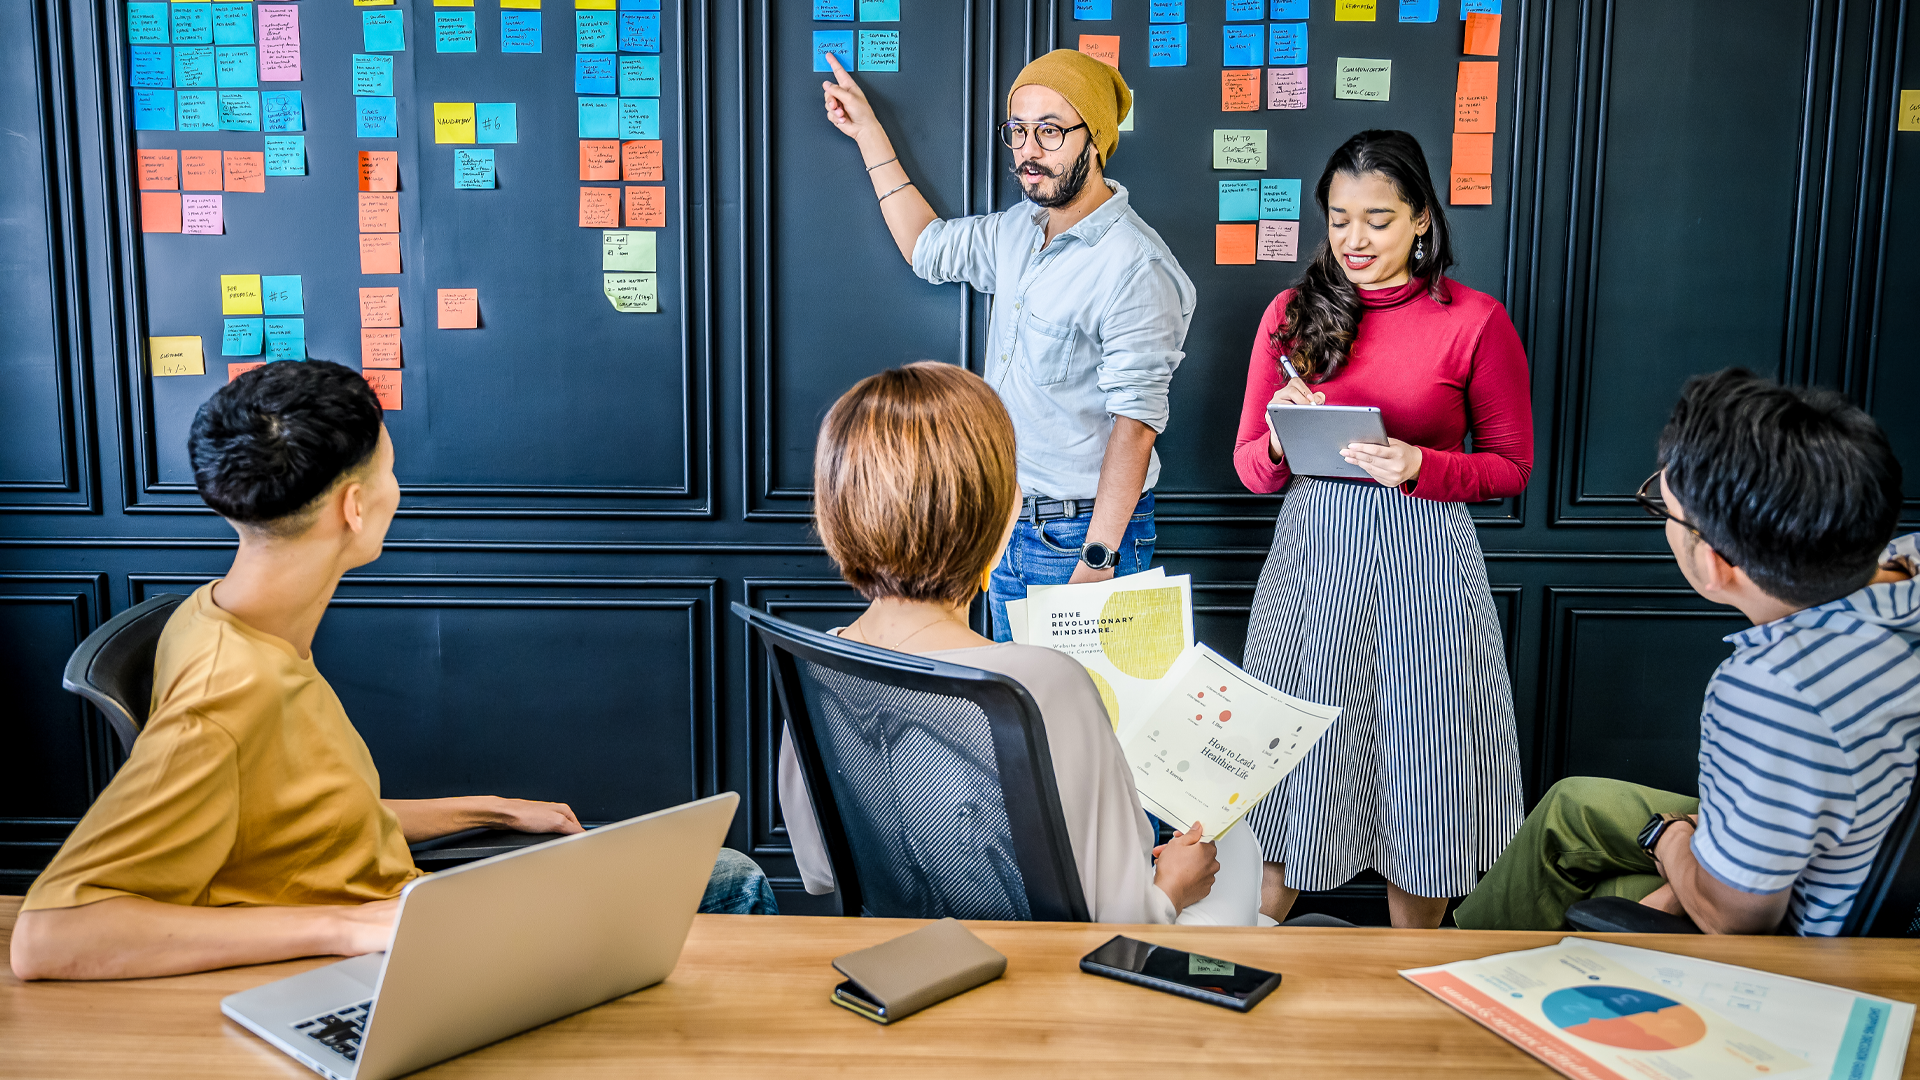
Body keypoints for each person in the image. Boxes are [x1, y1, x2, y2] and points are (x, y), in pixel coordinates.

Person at [10, 362, 773, 982]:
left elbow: (303, 822)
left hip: (398, 899)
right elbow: (50, 938)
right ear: (354, 507)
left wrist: (493, 809)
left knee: (703, 868)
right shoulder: (229, 691)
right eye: (392, 471)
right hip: (397, 941)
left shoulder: (227, 617)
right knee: (732, 879)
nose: (396, 491)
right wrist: (349, 927)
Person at [780, 362, 1266, 925]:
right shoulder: (1044, 680)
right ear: (1004, 510)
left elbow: (818, 869)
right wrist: (1174, 884)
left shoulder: (815, 661)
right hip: (1053, 986)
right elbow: (1125, 916)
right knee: (1236, 851)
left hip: (899, 967)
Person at [1456, 370, 1918, 935]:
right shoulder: (1908, 561)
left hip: (1811, 947)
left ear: (1717, 565)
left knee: (1606, 892)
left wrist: (1670, 838)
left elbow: (1734, 918)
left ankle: (1468, 977)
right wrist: (1682, 879)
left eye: (1663, 508)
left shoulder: (1771, 688)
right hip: (1858, 839)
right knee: (1571, 806)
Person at [1231, 130, 1533, 929]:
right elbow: (1252, 472)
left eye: (1378, 219)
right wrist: (1274, 433)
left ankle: (1411, 970)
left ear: (1422, 221)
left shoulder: (1474, 321)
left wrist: (1421, 465)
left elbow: (1510, 468)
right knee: (1290, 760)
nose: (1354, 241)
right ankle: (1258, 945)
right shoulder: (1290, 315)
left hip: (1427, 562)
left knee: (1424, 764)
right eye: (1337, 220)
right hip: (1311, 562)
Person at [819, 48, 1195, 642]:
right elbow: (926, 247)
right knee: (1012, 722)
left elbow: (1136, 425)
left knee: (1081, 722)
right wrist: (869, 133)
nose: (1027, 151)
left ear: (1094, 139)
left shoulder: (1136, 266)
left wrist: (1098, 560)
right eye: (1018, 131)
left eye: (1050, 131)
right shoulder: (1019, 230)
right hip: (1006, 526)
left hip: (1084, 538)